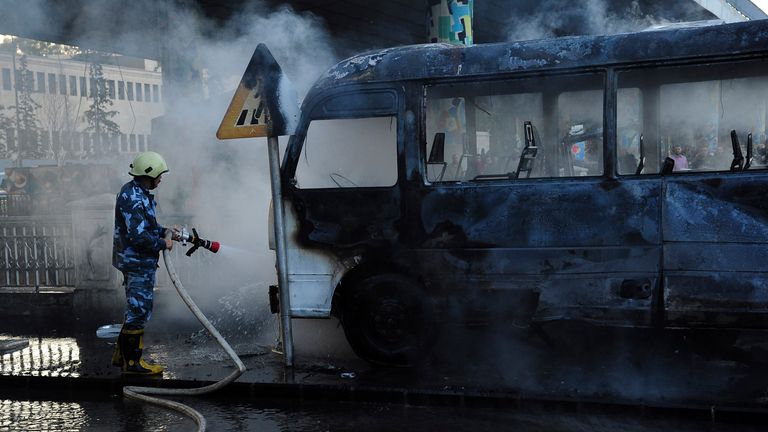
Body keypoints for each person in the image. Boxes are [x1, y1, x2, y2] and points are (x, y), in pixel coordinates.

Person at [111, 151, 178, 375]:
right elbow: (138, 237)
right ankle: (133, 365)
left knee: (135, 309)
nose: (161, 179)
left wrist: (166, 232)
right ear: (148, 175)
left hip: (139, 261)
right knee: (139, 311)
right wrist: (162, 243)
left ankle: (122, 356)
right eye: (160, 175)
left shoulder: (138, 193)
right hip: (136, 262)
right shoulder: (133, 197)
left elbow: (146, 227)